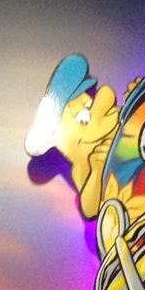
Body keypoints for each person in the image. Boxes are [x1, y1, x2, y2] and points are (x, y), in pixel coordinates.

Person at [24, 54, 123, 219]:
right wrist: (97, 171)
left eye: (89, 104)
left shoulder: (125, 127)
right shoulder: (82, 168)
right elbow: (90, 208)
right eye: (83, 119)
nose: (107, 96)